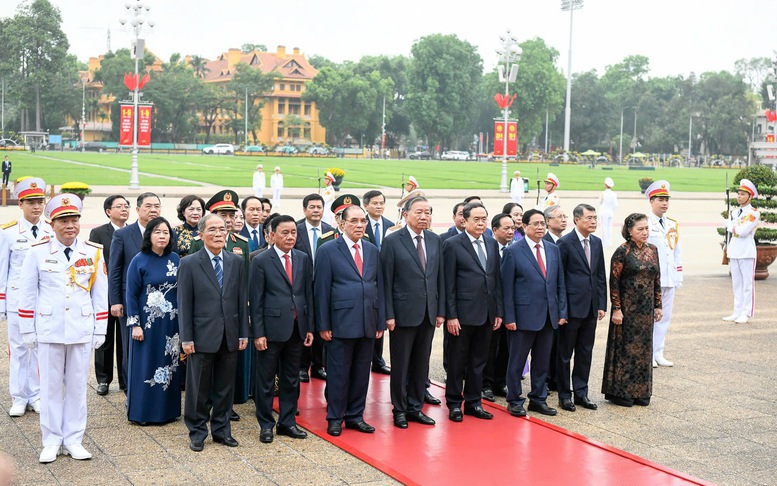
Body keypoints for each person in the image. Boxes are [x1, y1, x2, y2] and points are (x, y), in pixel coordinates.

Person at [18, 194, 108, 463]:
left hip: (80, 327)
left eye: (74, 220)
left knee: (78, 386)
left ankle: (73, 439)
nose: (70, 226)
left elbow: (100, 293)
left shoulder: (92, 251)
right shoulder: (37, 251)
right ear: (52, 223)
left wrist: (100, 328)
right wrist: (27, 329)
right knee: (50, 387)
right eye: (64, 221)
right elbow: (27, 293)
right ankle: (51, 440)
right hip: (49, 327)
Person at [178, 213, 249, 452]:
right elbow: (184, 304)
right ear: (201, 234)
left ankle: (221, 430)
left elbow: (241, 300)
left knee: (224, 387)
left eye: (222, 229)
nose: (219, 234)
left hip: (229, 334)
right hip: (201, 335)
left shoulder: (236, 261)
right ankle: (197, 431)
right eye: (213, 230)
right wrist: (186, 338)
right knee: (198, 388)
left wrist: (242, 333)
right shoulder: (189, 263)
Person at [314, 204, 385, 437]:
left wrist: (380, 322)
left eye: (362, 221)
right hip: (340, 323)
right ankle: (335, 417)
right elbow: (321, 290)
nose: (359, 225)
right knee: (338, 373)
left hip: (367, 322)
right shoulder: (328, 250)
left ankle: (355, 415)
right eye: (353, 221)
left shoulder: (372, 250)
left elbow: (378, 287)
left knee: (362, 373)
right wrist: (323, 325)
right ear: (341, 223)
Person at [381, 196, 444, 429]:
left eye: (427, 212)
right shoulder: (393, 240)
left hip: (428, 313)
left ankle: (415, 407)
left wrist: (441, 311)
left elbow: (440, 278)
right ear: (405, 215)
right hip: (402, 313)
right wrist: (388, 313)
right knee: (401, 364)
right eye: (419, 212)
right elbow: (386, 280)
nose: (424, 216)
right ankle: (399, 409)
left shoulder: (436, 240)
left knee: (421, 363)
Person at [250, 215, 314, 444]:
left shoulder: (303, 258)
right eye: (284, 233)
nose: (290, 237)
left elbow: (307, 294)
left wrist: (309, 327)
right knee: (266, 380)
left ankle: (287, 422)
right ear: (272, 235)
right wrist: (258, 333)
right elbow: (255, 300)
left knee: (291, 379)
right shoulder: (260, 260)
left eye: (293, 233)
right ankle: (266, 425)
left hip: (297, 329)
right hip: (270, 330)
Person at [190, 190, 250, 418]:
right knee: (202, 379)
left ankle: (223, 415)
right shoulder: (198, 246)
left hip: (230, 322)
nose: (227, 219)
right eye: (221, 214)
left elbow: (243, 286)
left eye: (230, 214)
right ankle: (200, 416)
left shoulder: (240, 244)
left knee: (226, 377)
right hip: (205, 323)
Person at [501, 208, 567, 418]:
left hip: (548, 316)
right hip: (522, 317)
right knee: (517, 361)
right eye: (535, 224)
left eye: (542, 224)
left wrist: (561, 311)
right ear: (525, 226)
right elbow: (506, 289)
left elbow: (559, 284)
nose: (540, 227)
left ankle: (538, 399)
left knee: (542, 361)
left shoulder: (552, 249)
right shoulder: (513, 251)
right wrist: (509, 317)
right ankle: (515, 400)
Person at [443, 202, 502, 422]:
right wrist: (451, 315)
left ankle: (474, 402)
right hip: (462, 315)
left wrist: (498, 312)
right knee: (458, 362)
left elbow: (496, 280)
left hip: (486, 314)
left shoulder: (491, 243)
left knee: (479, 361)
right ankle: (454, 403)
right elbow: (448, 283)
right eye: (476, 219)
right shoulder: (452, 244)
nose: (480, 223)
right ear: (464, 221)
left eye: (483, 219)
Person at [0, 177, 52, 417]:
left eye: (40, 201)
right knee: (19, 349)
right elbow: (3, 269)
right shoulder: (9, 232)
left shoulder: (51, 230)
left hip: (43, 300)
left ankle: (37, 394)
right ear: (20, 204)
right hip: (18, 299)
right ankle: (19, 397)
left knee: (41, 348)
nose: (36, 207)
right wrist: (2, 303)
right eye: (30, 202)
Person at [125, 217, 182, 424]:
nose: (162, 236)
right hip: (147, 325)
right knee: (146, 366)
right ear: (149, 235)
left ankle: (168, 411)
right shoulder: (139, 260)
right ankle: (143, 413)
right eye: (157, 232)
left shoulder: (176, 259)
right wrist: (135, 324)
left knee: (170, 365)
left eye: (166, 232)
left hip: (171, 324)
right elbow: (131, 294)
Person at [602, 213, 661, 407]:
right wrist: (616, 309)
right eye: (640, 229)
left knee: (644, 351)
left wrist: (658, 305)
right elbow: (614, 283)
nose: (645, 232)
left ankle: (641, 391)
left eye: (646, 228)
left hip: (645, 311)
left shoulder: (653, 250)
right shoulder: (622, 252)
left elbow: (656, 279)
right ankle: (620, 391)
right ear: (629, 231)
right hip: (627, 310)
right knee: (625, 350)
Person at [556, 204, 606, 412]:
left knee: (585, 352)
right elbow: (559, 279)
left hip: (590, 308)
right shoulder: (564, 243)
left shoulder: (596, 242)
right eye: (589, 218)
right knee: (565, 354)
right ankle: (564, 394)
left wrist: (601, 304)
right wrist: (562, 310)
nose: (593, 221)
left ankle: (581, 392)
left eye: (595, 218)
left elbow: (600, 275)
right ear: (577, 220)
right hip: (571, 309)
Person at [109, 192, 161, 393]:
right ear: (138, 210)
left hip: (158, 302)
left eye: (157, 206)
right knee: (131, 346)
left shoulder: (165, 232)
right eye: (148, 206)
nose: (153, 210)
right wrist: (115, 301)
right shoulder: (123, 234)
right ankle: (132, 390)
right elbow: (115, 269)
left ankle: (153, 387)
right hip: (130, 300)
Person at [90, 195, 130, 396]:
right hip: (104, 293)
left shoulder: (133, 233)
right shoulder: (98, 233)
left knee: (125, 338)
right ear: (108, 211)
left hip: (126, 292)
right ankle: (103, 379)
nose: (124, 209)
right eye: (119, 206)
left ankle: (125, 380)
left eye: (126, 206)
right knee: (105, 338)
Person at [294, 193, 333, 382]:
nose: (316, 210)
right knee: (304, 325)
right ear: (304, 210)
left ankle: (318, 365)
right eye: (312, 207)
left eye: (319, 207)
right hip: (301, 287)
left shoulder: (330, 231)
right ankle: (303, 366)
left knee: (321, 325)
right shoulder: (296, 229)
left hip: (324, 288)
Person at [646, 180, 682, 367]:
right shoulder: (645, 223)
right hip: (653, 280)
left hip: (669, 278)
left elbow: (676, 251)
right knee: (651, 317)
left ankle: (659, 352)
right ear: (651, 201)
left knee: (665, 317)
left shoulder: (672, 224)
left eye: (667, 199)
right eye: (660, 199)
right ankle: (649, 353)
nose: (664, 203)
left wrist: (678, 275)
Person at [482, 213, 515, 402]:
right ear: (495, 230)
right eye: (506, 228)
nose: (510, 232)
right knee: (489, 347)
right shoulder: (488, 247)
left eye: (512, 228)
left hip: (510, 307)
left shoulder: (517, 249)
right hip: (491, 307)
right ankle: (484, 384)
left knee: (506, 348)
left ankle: (499, 382)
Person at [363, 189, 394, 375]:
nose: (379, 206)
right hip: (367, 277)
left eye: (381, 203)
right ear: (366, 205)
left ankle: (378, 358)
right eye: (375, 203)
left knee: (381, 318)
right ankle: (366, 357)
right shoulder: (360, 224)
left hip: (387, 277)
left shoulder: (391, 226)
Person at [724, 179, 760, 324]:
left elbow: (743, 231)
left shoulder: (753, 213)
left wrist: (730, 226)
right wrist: (732, 226)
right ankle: (737, 311)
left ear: (750, 196)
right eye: (738, 194)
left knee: (747, 284)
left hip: (746, 251)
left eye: (743, 194)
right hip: (734, 250)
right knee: (736, 284)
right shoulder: (733, 212)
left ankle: (746, 312)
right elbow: (735, 230)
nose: (739, 196)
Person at [598, 177, 618, 247]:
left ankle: (604, 242)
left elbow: (599, 202)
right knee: (609, 227)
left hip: (604, 212)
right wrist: (612, 210)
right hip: (610, 212)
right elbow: (615, 205)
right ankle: (609, 242)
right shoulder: (614, 194)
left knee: (604, 227)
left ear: (605, 185)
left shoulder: (603, 193)